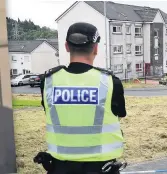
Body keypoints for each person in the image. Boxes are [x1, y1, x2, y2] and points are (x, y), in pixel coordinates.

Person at [34, 22, 127, 174]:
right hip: (101, 168)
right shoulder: (110, 82)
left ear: (66, 47)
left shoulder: (48, 81)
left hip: (59, 168)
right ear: (96, 48)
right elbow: (119, 116)